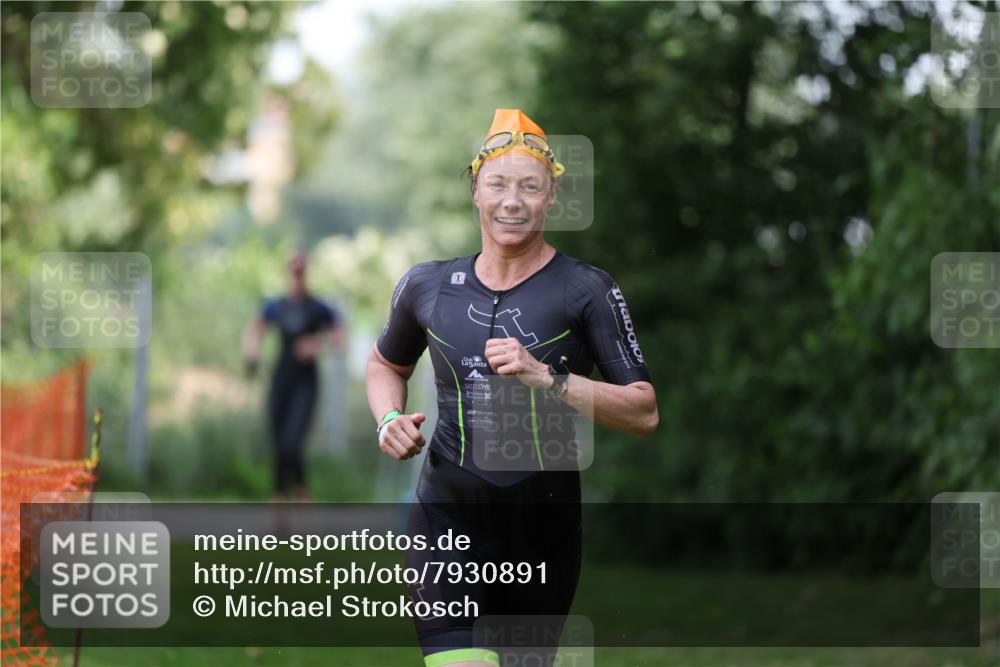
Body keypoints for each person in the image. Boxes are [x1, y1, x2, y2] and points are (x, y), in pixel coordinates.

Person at [365, 109, 658, 667]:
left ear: (552, 198)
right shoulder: (427, 286)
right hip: (446, 516)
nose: (512, 201)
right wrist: (388, 419)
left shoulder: (586, 291)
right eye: (498, 184)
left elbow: (643, 412)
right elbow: (385, 365)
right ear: (475, 190)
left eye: (530, 187)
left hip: (541, 528)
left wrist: (547, 377)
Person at [244, 250, 343, 500]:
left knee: (292, 444)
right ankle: (279, 510)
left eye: (300, 268)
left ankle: (301, 505)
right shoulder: (276, 305)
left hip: (306, 384)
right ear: (287, 270)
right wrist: (253, 354)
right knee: (279, 446)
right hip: (281, 381)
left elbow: (339, 337)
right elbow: (254, 331)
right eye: (293, 268)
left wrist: (316, 344)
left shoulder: (317, 307)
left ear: (306, 270)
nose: (297, 273)